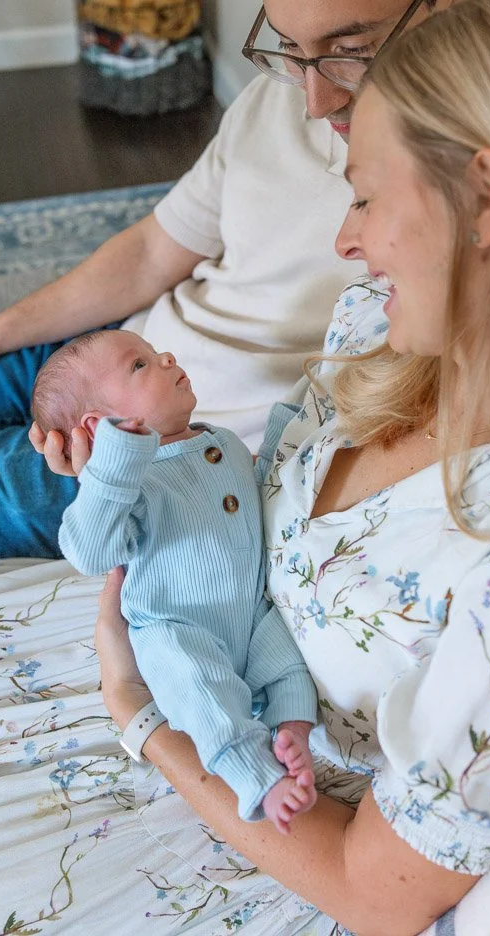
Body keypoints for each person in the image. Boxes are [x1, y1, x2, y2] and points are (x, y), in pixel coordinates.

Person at [0, 0, 490, 936]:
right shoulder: (374, 326)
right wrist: (129, 480)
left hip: (245, 779)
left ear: (485, 196)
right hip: (183, 608)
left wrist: (141, 716)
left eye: (364, 198)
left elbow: (374, 891)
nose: (344, 239)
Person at [0, 0, 485, 563]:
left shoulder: (484, 187)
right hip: (123, 351)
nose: (313, 102)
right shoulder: (280, 94)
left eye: (351, 51)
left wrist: (125, 480)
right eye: (290, 48)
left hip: (170, 460)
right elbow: (153, 250)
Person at [32, 329, 318, 831]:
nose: (165, 356)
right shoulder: (130, 484)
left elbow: (262, 490)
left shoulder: (220, 441)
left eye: (154, 352)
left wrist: (285, 432)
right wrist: (112, 466)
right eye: (139, 365)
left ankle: (292, 732)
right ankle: (255, 776)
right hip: (176, 628)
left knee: (292, 660)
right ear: (101, 426)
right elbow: (88, 550)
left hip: (254, 610)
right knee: (200, 688)